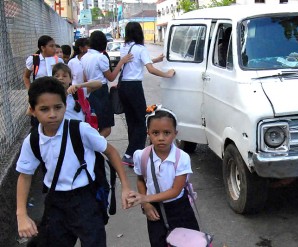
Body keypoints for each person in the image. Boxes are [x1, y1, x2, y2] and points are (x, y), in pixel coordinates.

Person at [16, 77, 133, 246]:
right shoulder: (33, 140)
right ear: (33, 110)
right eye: (44, 109)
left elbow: (111, 151)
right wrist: (21, 215)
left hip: (86, 200)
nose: (52, 114)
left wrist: (126, 187)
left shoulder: (80, 130)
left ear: (65, 105)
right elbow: (24, 176)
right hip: (55, 201)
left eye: (58, 107)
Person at [128, 105, 199, 247]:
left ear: (175, 133)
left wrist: (145, 198)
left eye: (167, 133)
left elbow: (175, 191)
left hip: (180, 208)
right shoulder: (141, 156)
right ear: (148, 132)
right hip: (154, 209)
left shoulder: (182, 158)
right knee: (158, 242)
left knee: (188, 242)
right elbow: (141, 179)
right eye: (155, 133)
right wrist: (146, 205)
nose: (161, 138)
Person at [118, 22, 175, 166]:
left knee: (132, 121)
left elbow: (138, 63)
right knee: (141, 122)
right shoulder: (140, 48)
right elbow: (150, 69)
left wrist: (156, 59)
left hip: (123, 86)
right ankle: (131, 154)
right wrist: (166, 74)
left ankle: (131, 155)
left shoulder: (124, 47)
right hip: (134, 87)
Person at [81, 30, 133, 138]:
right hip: (101, 93)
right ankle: (94, 146)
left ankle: (93, 146)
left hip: (88, 93)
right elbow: (111, 77)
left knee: (93, 124)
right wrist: (121, 62)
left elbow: (84, 78)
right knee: (106, 127)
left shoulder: (84, 57)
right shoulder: (101, 57)